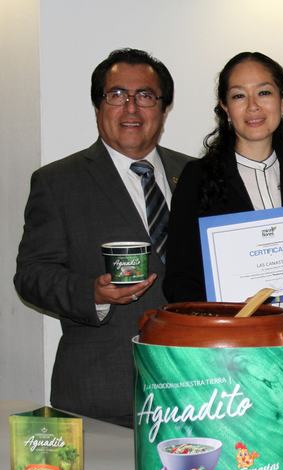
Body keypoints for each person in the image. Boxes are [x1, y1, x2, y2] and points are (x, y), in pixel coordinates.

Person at [163, 51, 283, 435]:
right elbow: (179, 281)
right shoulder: (198, 179)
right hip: (234, 362)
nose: (252, 106)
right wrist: (228, 318)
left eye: (264, 92)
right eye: (238, 95)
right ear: (224, 107)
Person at [14, 48, 193, 427]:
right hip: (103, 391)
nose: (131, 108)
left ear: (163, 109)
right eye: (117, 95)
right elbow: (32, 275)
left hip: (199, 386)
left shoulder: (198, 174)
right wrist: (92, 294)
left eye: (145, 95)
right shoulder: (58, 182)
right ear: (98, 106)